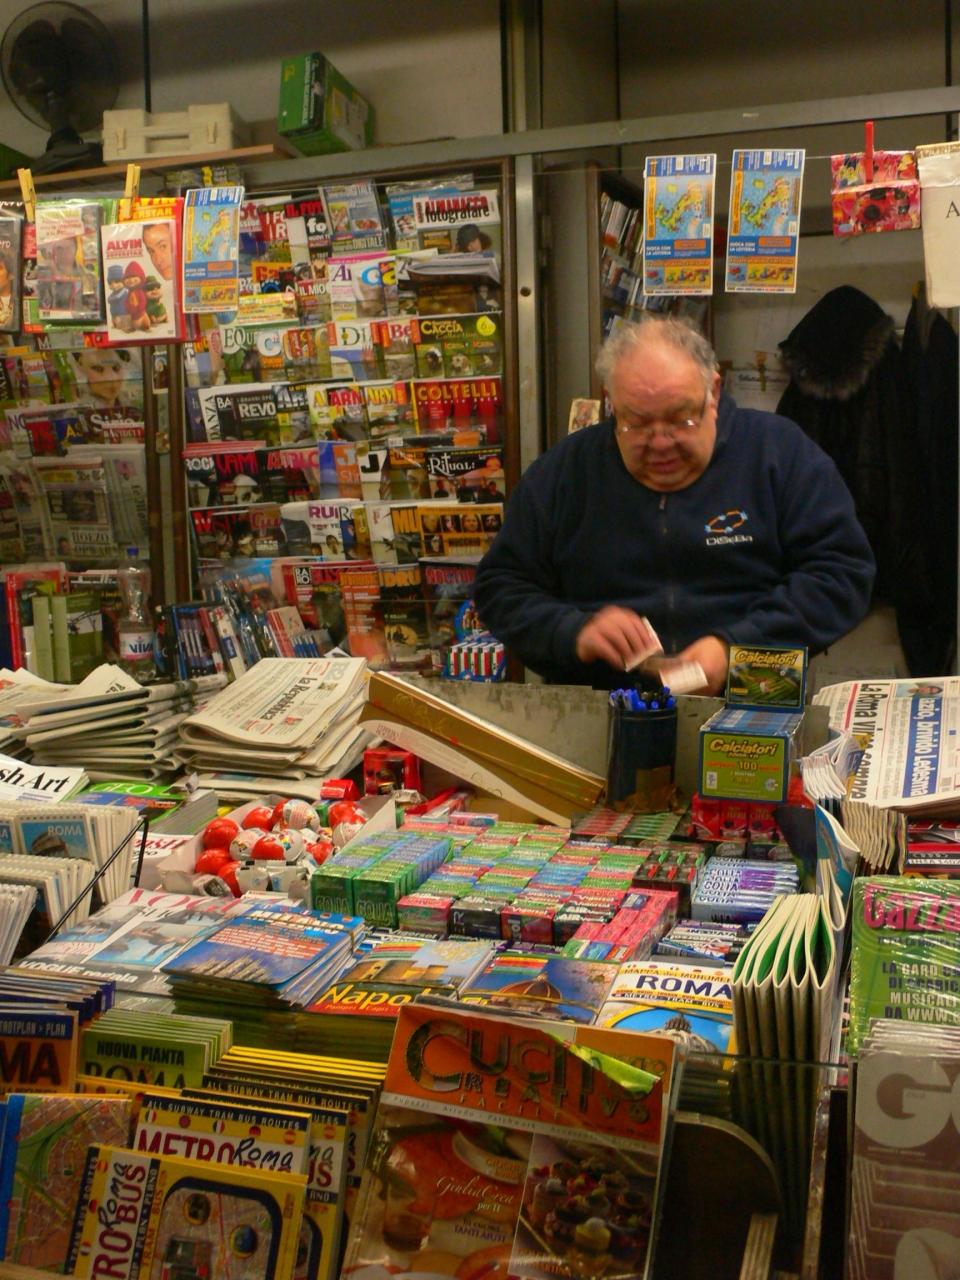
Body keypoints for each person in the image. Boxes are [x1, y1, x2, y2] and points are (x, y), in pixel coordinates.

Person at [474, 314, 876, 692]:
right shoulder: (566, 472)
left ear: (713, 392)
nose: (661, 442)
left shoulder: (779, 454)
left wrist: (736, 648)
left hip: (754, 687)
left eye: (681, 419)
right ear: (612, 402)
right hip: (603, 700)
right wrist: (573, 631)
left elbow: (842, 572)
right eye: (637, 423)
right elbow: (501, 587)